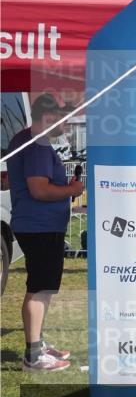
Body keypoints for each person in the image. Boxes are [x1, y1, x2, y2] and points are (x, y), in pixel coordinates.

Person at [7, 94, 83, 372]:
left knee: (42, 288)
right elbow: (39, 189)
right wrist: (72, 191)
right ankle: (33, 356)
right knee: (40, 289)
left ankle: (36, 344)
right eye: (63, 120)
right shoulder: (38, 146)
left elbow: (15, 179)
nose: (66, 126)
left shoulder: (24, 139)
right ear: (49, 118)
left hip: (35, 225)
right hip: (40, 227)